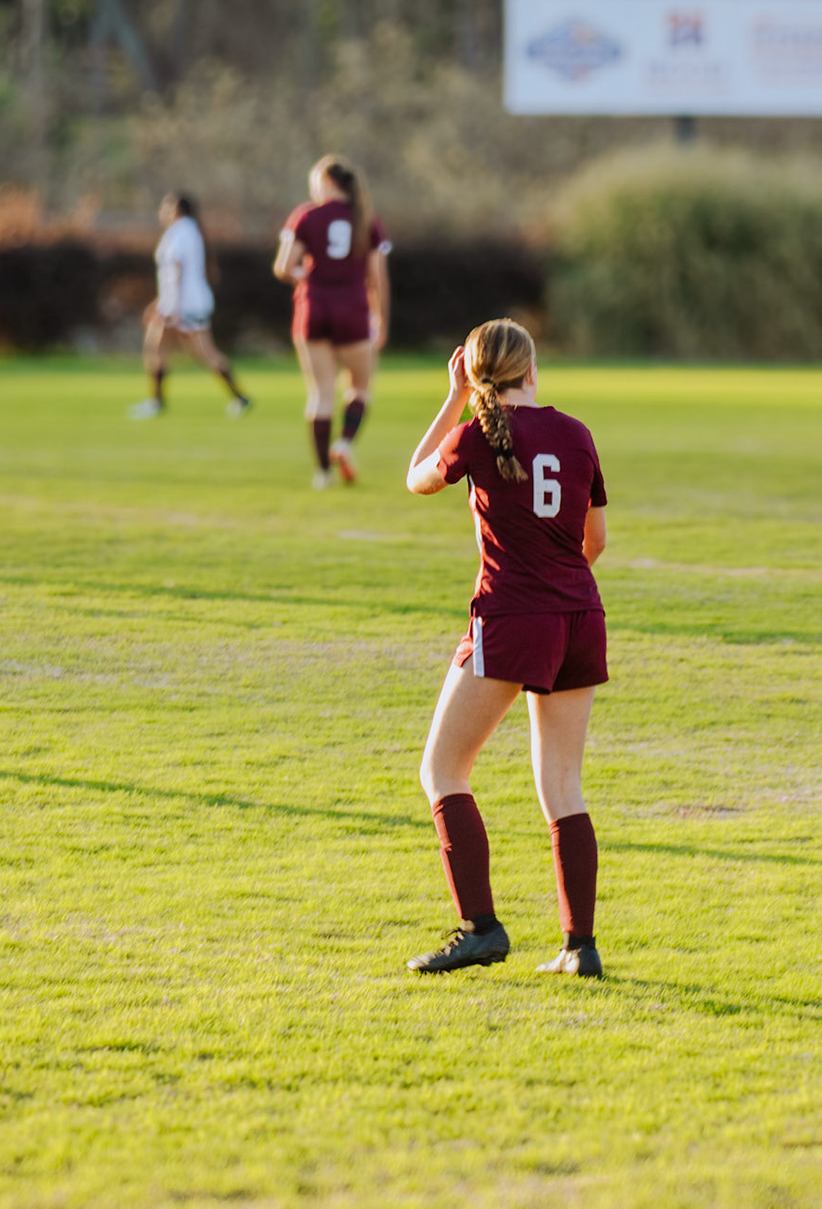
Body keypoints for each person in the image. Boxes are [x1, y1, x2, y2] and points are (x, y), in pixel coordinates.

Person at [401, 319, 608, 978]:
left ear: (473, 371)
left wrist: (453, 397)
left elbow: (416, 479)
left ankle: (480, 928)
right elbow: (595, 541)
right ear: (532, 369)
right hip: (580, 613)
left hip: (513, 617)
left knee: (442, 770)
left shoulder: (474, 435)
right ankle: (580, 947)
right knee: (562, 784)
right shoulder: (576, 433)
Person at [272, 156, 392, 488]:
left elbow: (283, 266)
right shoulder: (366, 219)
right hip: (353, 309)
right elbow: (377, 277)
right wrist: (380, 317)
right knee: (360, 388)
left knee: (321, 393)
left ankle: (322, 472)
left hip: (313, 308)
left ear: (325, 182)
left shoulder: (306, 216)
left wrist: (304, 276)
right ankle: (345, 442)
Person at [129, 192, 251, 420]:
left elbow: (177, 270)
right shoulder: (185, 231)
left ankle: (240, 397)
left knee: (204, 352)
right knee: (156, 346)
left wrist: (171, 307)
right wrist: (159, 303)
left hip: (185, 305)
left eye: (165, 207)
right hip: (178, 303)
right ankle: (156, 401)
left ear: (175, 209)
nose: (162, 212)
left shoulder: (181, 233)